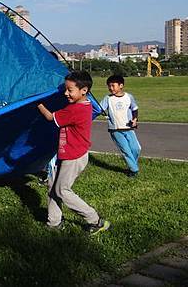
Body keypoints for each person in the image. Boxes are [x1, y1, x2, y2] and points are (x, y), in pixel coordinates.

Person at [37, 70, 110, 235]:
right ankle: (54, 222)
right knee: (52, 185)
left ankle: (95, 220)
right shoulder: (84, 104)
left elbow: (49, 117)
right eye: (65, 89)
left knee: (62, 190)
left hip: (74, 156)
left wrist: (37, 102)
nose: (66, 93)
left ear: (84, 90)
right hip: (66, 153)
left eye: (70, 90)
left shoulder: (75, 109)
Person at [100, 75, 141, 177]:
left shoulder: (129, 97)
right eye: (109, 86)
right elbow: (100, 109)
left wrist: (135, 119)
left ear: (121, 85)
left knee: (136, 148)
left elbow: (134, 108)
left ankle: (132, 165)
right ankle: (134, 170)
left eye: (113, 86)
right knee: (126, 150)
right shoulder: (108, 98)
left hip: (128, 128)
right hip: (115, 129)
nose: (111, 88)